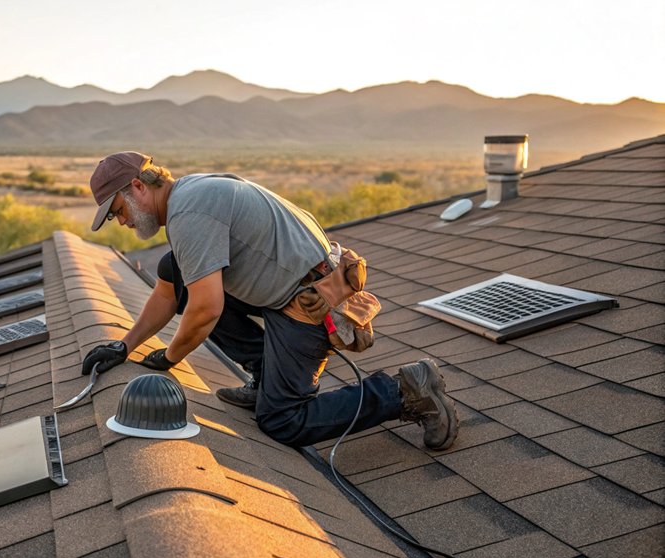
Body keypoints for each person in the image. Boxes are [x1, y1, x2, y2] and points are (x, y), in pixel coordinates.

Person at [80, 151, 459, 450]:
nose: (123, 222)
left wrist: (169, 358)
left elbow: (206, 309)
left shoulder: (189, 213)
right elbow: (169, 290)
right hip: (287, 288)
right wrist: (124, 345)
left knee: (283, 420)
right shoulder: (190, 190)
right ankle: (265, 373)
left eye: (118, 211)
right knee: (176, 267)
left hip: (308, 305)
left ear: (138, 187)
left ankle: (405, 392)